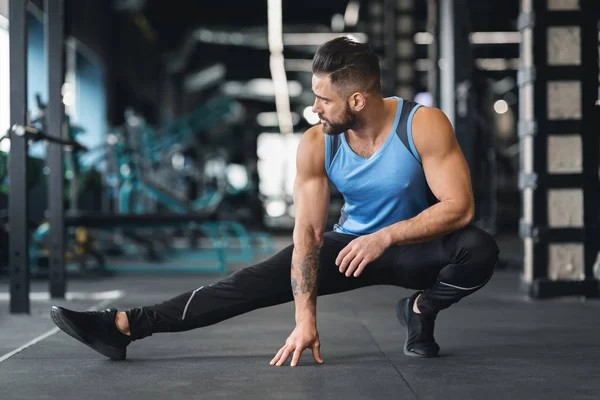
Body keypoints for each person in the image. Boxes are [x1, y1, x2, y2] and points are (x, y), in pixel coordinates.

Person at [51, 37, 499, 367]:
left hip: (415, 246)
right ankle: (125, 325)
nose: (316, 108)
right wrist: (305, 318)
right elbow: (307, 234)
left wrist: (385, 237)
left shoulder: (422, 125)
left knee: (478, 249)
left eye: (324, 99)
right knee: (250, 281)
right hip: (348, 249)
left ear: (357, 99)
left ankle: (421, 310)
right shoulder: (317, 143)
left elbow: (459, 207)